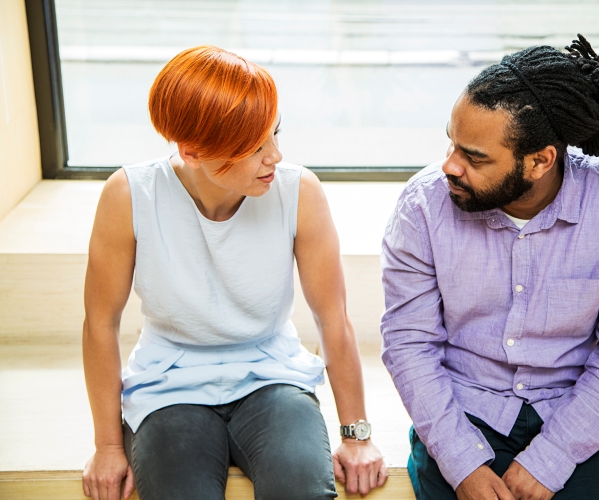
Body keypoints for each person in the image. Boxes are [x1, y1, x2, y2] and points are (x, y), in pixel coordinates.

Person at [380, 31, 599, 500]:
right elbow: (409, 343)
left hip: (572, 414)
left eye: (474, 157)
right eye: (452, 144)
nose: (449, 166)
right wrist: (462, 464)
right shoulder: (422, 206)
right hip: (462, 411)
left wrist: (551, 458)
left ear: (540, 161)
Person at [81, 45, 387, 500]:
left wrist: (356, 434)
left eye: (274, 134)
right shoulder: (129, 195)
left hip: (273, 375)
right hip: (169, 384)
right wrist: (107, 446)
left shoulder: (298, 191)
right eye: (253, 147)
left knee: (301, 490)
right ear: (192, 152)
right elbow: (100, 322)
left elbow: (332, 317)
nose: (275, 156)